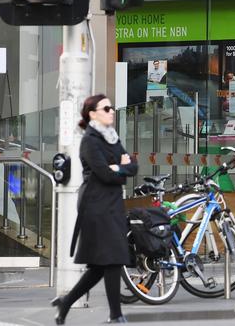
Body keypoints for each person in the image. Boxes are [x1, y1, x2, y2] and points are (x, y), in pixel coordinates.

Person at [50, 94, 138, 324]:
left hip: (112, 203)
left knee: (102, 264)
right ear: (92, 113)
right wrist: (122, 168)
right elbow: (104, 174)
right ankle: (116, 315)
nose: (111, 111)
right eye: (106, 108)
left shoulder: (111, 137)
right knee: (112, 258)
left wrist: (119, 168)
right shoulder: (89, 140)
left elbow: (133, 167)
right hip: (96, 205)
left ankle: (66, 302)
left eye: (112, 108)